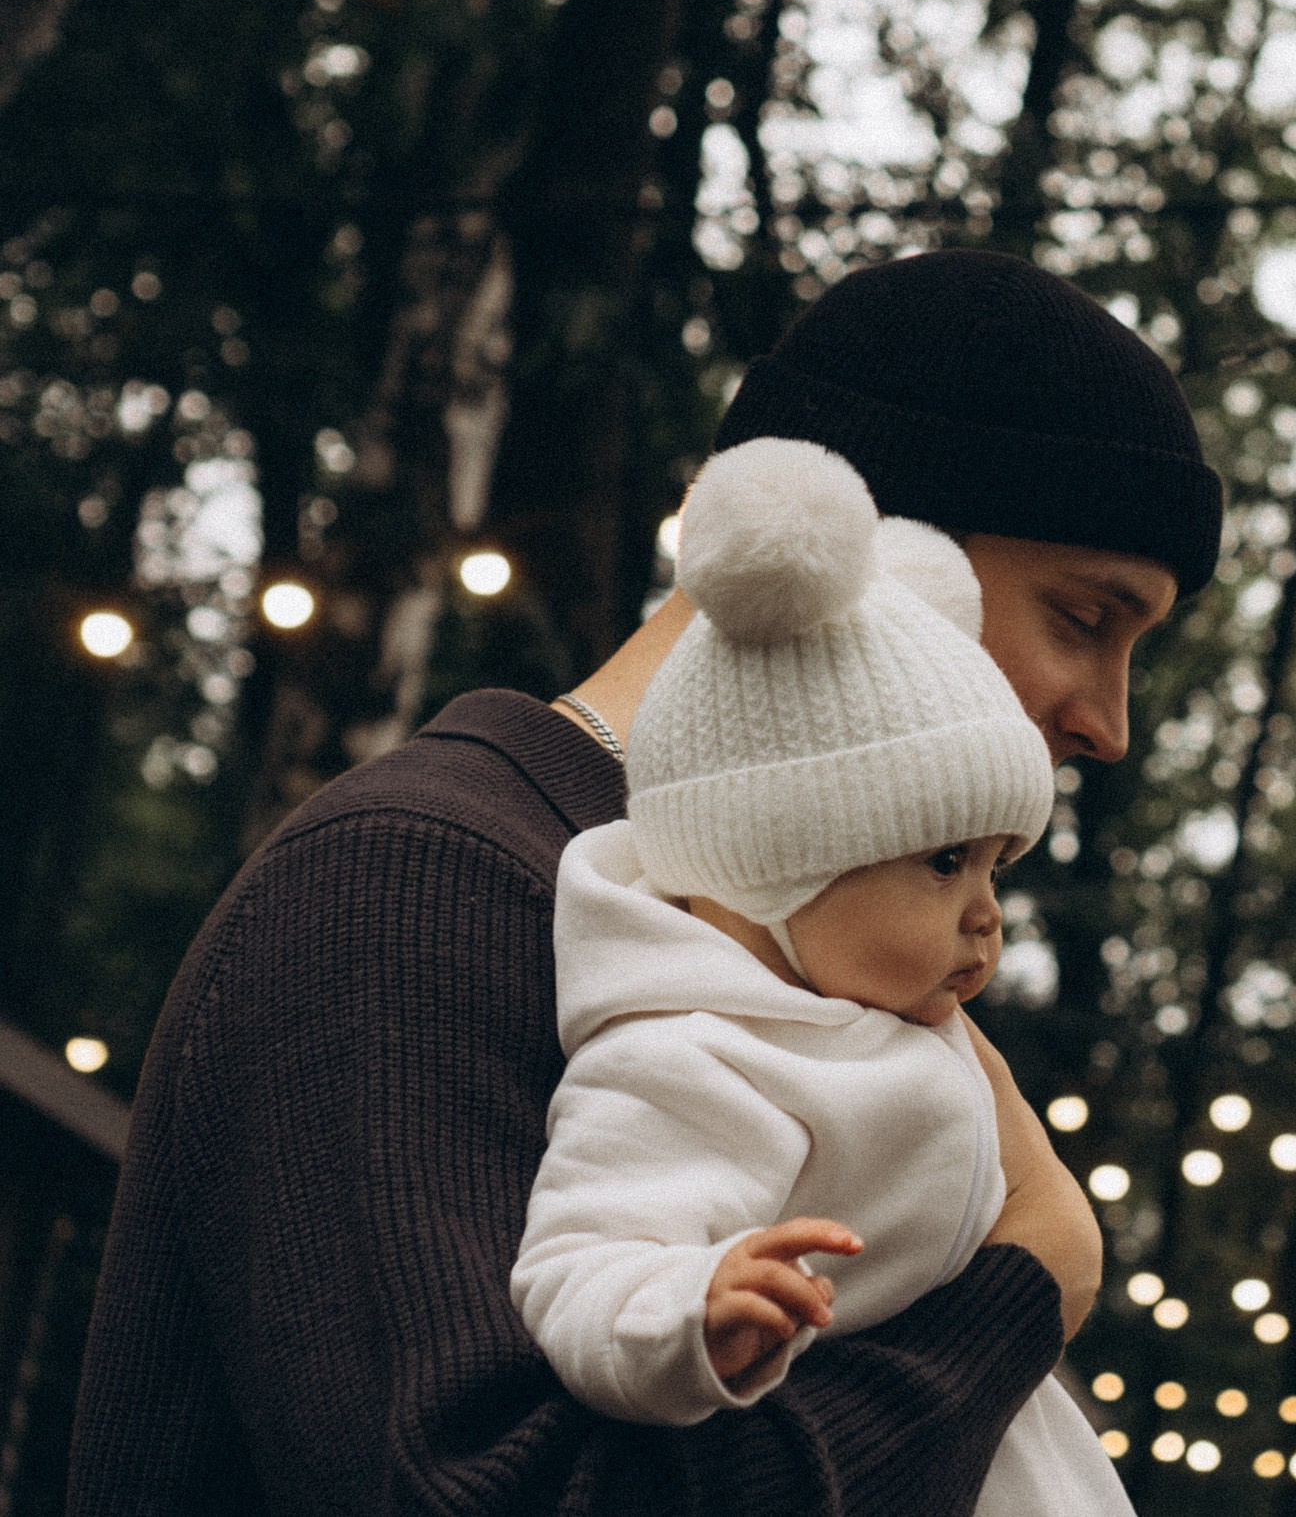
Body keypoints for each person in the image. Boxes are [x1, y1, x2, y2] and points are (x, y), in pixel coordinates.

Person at [69, 249, 1223, 1517]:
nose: (1109, 723)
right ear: (881, 563)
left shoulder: (773, 950)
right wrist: (1024, 1289)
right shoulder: (407, 887)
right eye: (1085, 617)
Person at [513, 438, 1129, 1517]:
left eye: (997, 865)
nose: (987, 914)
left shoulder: (873, 1014)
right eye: (944, 862)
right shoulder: (690, 1054)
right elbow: (582, 1259)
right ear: (771, 864)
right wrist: (693, 1313)